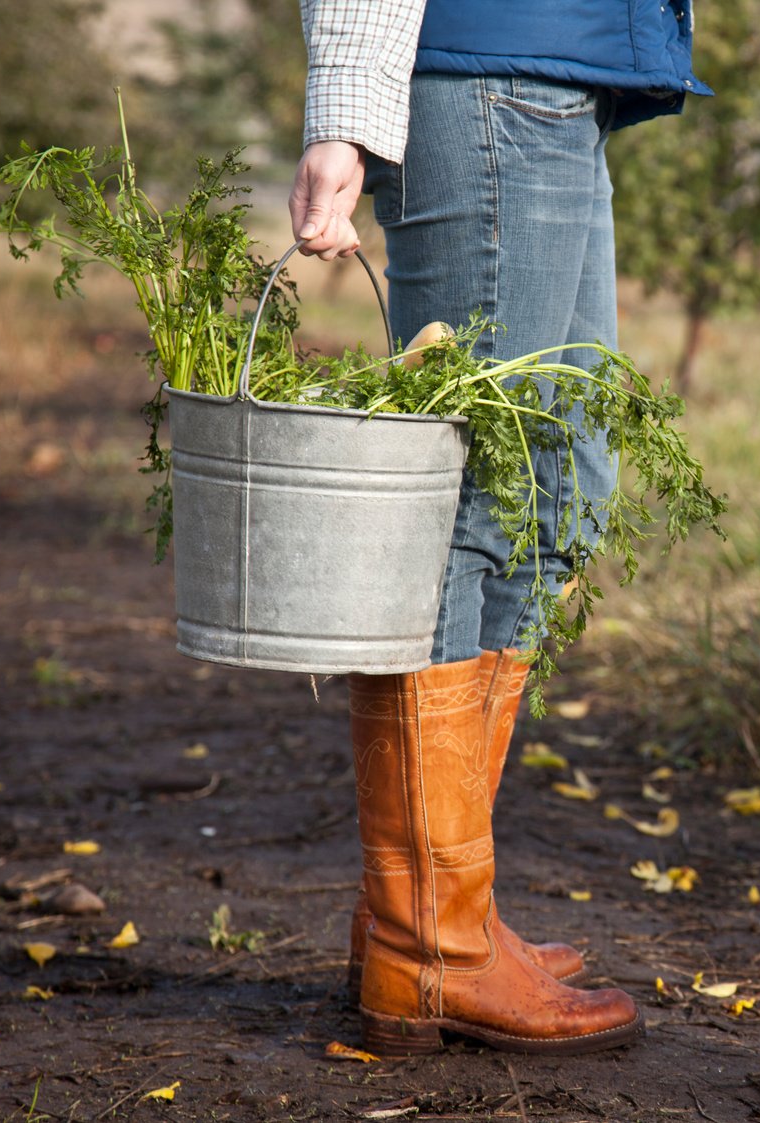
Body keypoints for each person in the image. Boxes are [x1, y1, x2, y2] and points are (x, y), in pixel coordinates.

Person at [286, 1, 709, 1058]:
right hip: (486, 84)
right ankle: (428, 943)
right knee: (474, 499)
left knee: (555, 492)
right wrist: (340, 114)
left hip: (551, 86)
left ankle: (441, 907)